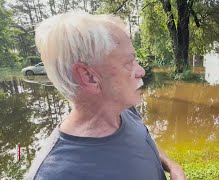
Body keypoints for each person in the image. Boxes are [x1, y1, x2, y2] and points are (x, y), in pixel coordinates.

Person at [25, 11, 186, 180]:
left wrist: (171, 165)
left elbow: (143, 142)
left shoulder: (125, 110)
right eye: (129, 62)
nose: (141, 71)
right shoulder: (53, 174)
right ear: (89, 77)